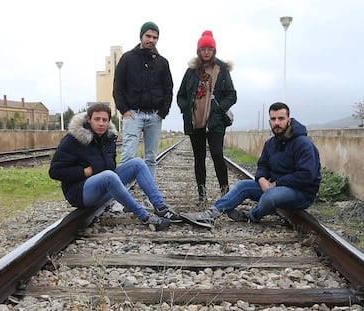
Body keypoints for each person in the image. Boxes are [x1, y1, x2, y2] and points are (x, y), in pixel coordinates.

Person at [181, 102, 322, 228]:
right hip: (274, 188)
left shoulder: (303, 144)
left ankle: (251, 216)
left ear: (289, 120)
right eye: (273, 119)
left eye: (281, 119)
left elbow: (306, 175)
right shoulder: (271, 143)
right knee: (243, 186)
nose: (277, 123)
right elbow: (263, 166)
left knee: (270, 196)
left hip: (300, 193)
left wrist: (276, 184)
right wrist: (261, 179)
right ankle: (210, 214)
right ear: (269, 121)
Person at [49, 103, 182, 231]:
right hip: (79, 193)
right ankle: (144, 216)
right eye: (97, 119)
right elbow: (55, 171)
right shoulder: (73, 140)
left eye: (104, 120)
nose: (101, 123)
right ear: (89, 120)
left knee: (138, 163)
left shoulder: (109, 139)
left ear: (108, 121)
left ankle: (161, 208)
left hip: (103, 188)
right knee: (109, 176)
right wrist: (84, 172)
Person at [177, 30, 237, 205]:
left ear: (214, 50)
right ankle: (201, 195)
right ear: (198, 51)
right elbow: (181, 94)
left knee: (217, 154)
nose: (206, 52)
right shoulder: (191, 71)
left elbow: (231, 95)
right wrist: (185, 109)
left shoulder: (222, 70)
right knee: (199, 157)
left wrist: (219, 109)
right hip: (195, 122)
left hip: (215, 122)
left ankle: (225, 193)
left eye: (209, 48)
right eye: (203, 48)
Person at [113, 21, 173, 179]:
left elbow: (168, 89)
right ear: (141, 36)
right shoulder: (127, 59)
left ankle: (150, 195)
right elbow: (118, 87)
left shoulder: (162, 62)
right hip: (133, 114)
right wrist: (124, 110)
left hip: (154, 116)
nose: (151, 40)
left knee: (151, 158)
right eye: (148, 36)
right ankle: (122, 194)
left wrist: (163, 112)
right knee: (128, 156)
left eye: (155, 37)